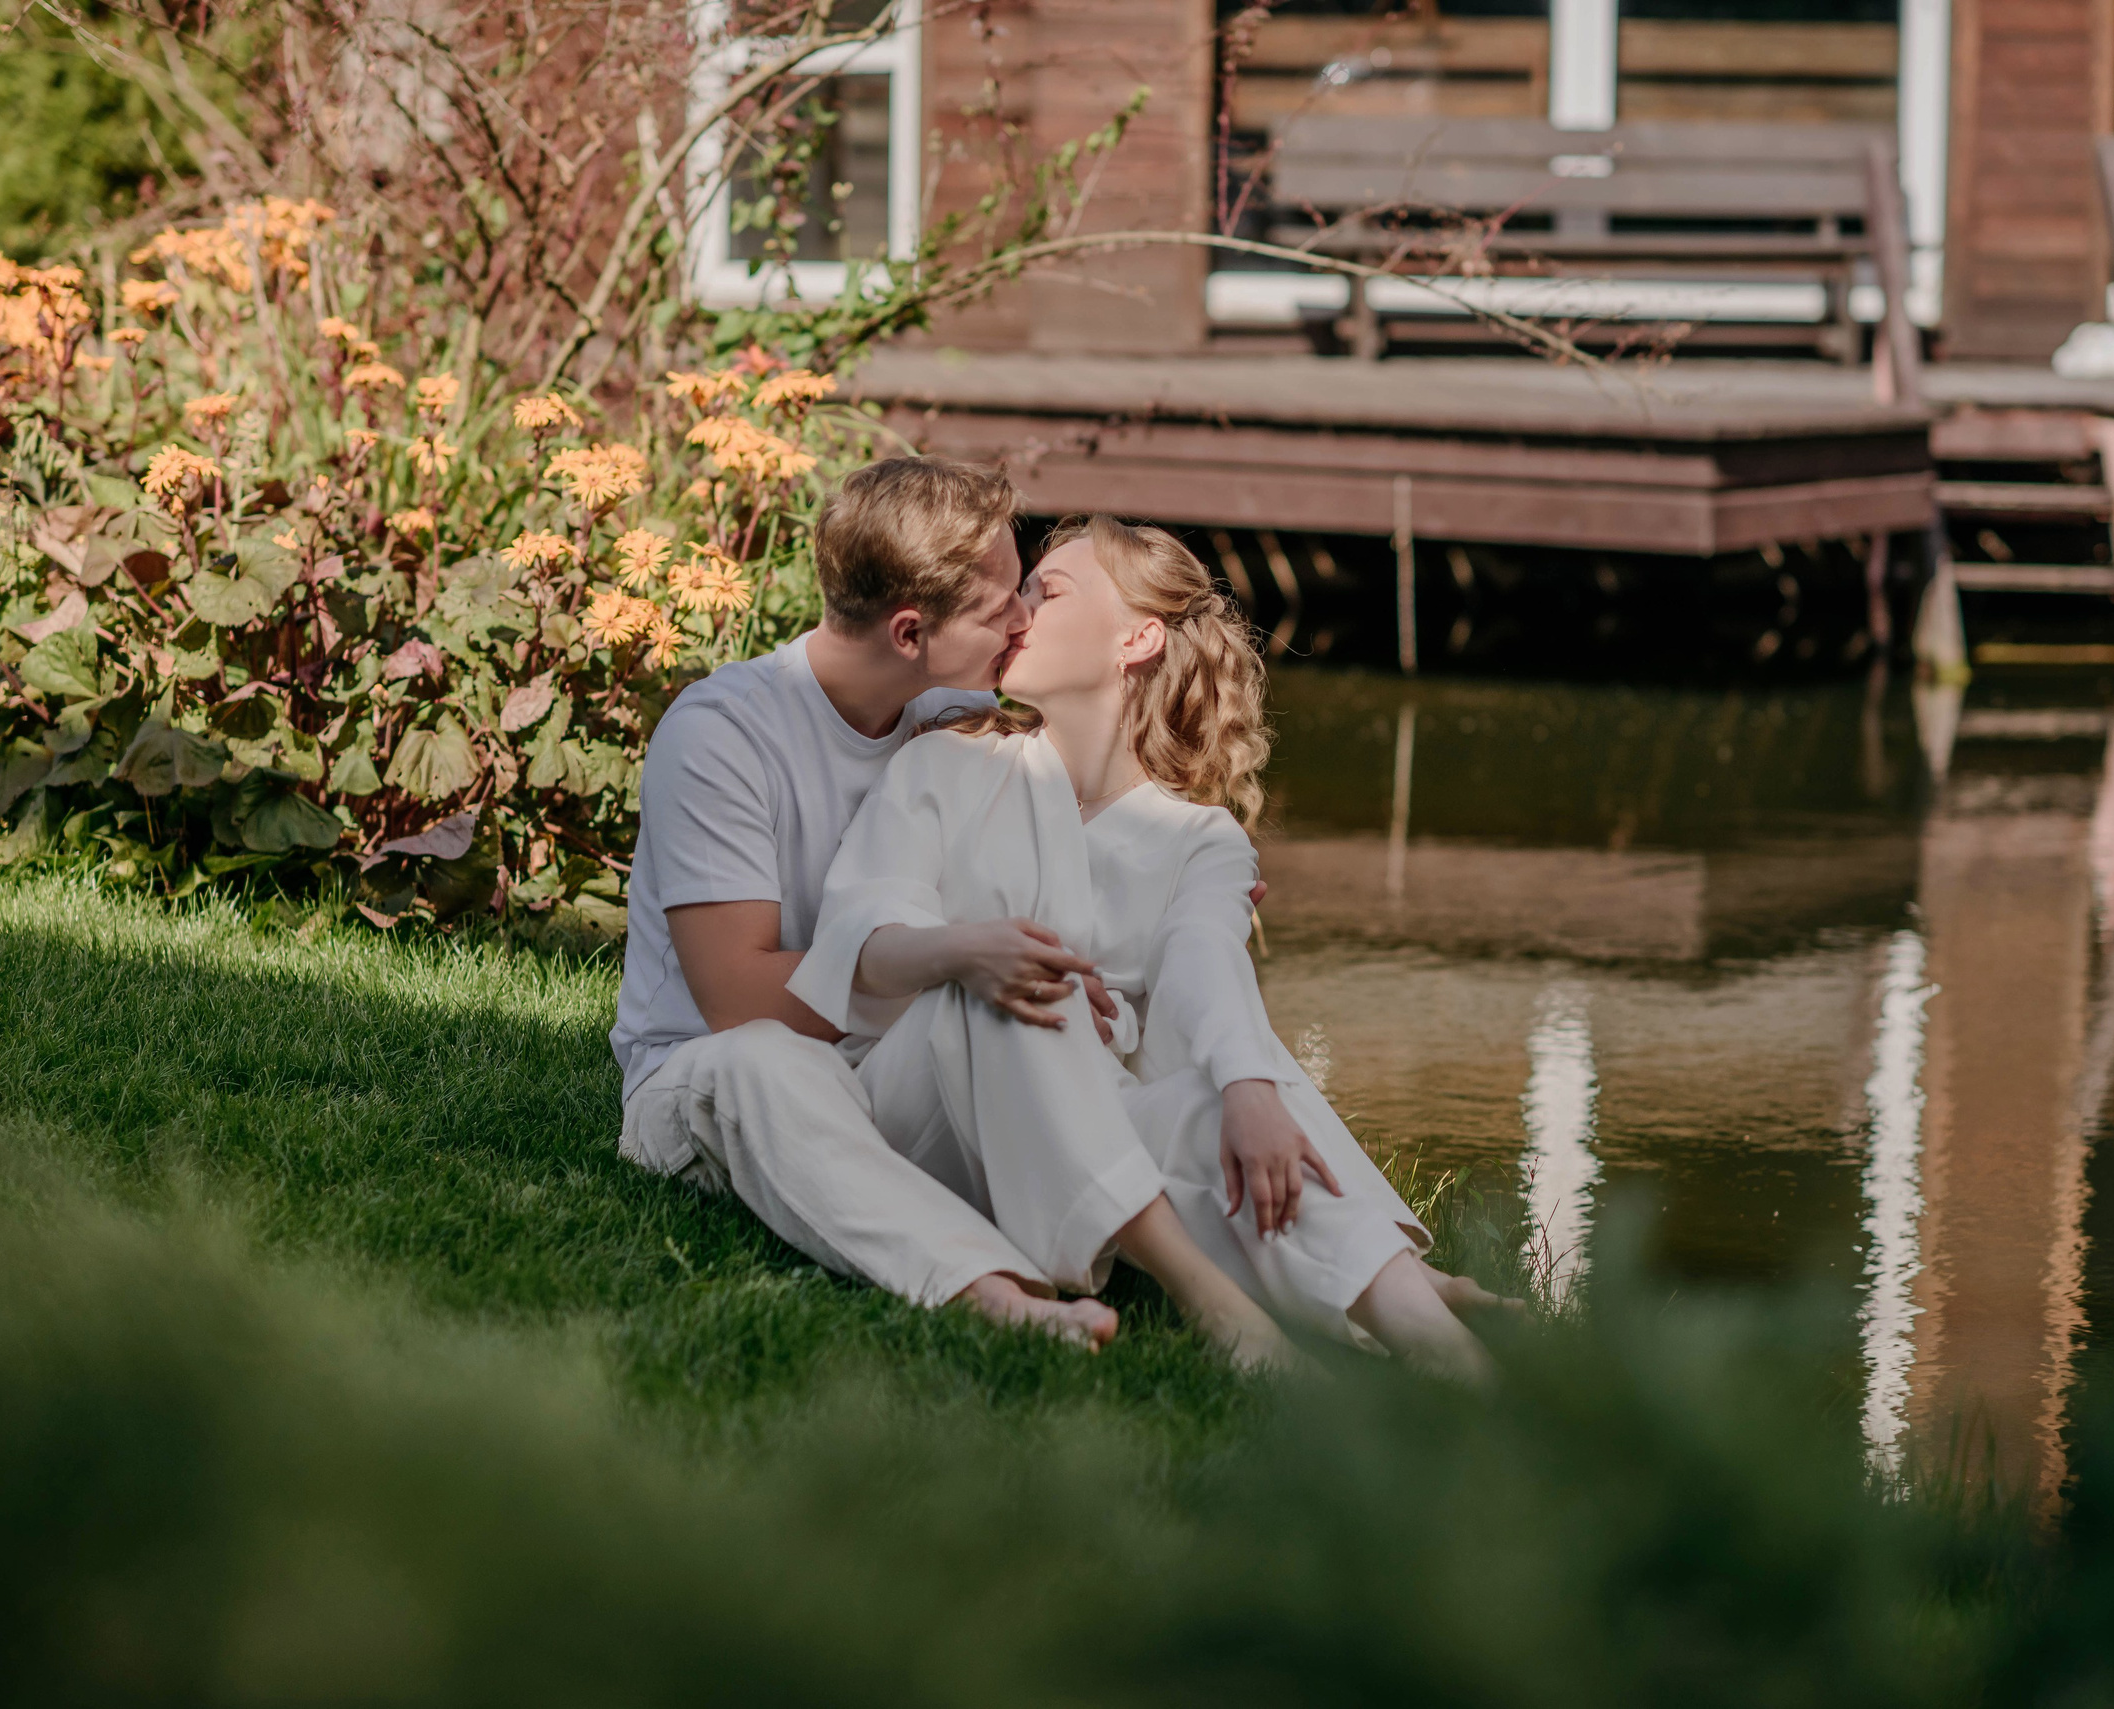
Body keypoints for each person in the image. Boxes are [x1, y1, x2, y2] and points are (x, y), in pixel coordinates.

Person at [786, 516, 1501, 1377]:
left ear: (1137, 637)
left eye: (1044, 591)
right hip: (926, 1120)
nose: (1016, 612)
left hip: (1091, 1128)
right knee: (1022, 982)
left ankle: (1451, 1357)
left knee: (1217, 1107)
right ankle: (1219, 1305)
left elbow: (1204, 957)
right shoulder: (948, 765)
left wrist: (1246, 1091)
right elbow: (864, 938)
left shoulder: (1199, 838)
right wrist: (974, 951)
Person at [612, 457, 1118, 1349]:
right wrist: (948, 959)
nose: (1026, 616)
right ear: (911, 630)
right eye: (1003, 602)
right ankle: (994, 1292)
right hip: (710, 1079)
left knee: (1038, 1011)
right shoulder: (722, 734)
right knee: (765, 1062)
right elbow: (733, 999)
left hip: (882, 1067)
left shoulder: (953, 717)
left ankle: (1278, 1263)